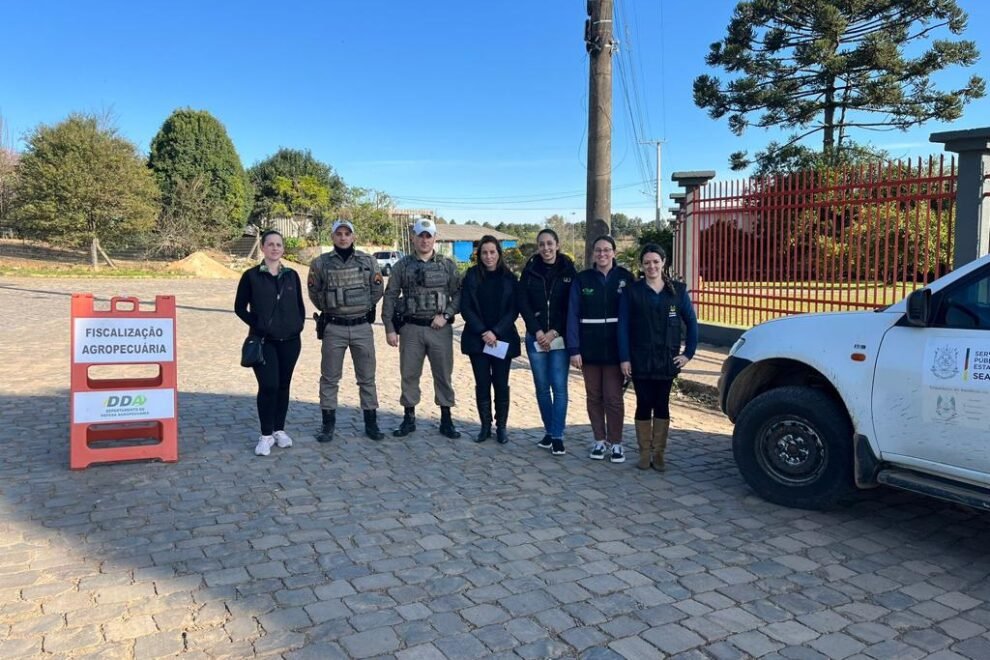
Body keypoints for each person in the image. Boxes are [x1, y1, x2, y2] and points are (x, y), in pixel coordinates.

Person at [619, 244, 698, 471]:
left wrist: (688, 354)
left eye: (655, 261)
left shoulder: (678, 292)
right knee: (643, 403)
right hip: (640, 358)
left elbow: (692, 323)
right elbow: (622, 327)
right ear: (641, 265)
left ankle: (659, 453)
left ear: (663, 262)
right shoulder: (632, 292)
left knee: (662, 404)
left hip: (666, 359)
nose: (651, 266)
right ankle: (644, 453)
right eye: (647, 262)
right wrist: (625, 358)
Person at [381, 218, 463, 439]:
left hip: (440, 330)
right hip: (411, 329)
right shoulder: (402, 266)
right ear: (413, 238)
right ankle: (409, 418)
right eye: (420, 236)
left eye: (428, 236)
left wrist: (446, 315)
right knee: (409, 374)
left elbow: (459, 295)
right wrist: (389, 327)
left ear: (435, 238)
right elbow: (390, 296)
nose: (424, 240)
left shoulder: (447, 265)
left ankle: (446, 419)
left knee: (443, 374)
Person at [308, 219, 385, 443]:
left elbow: (377, 289)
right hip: (334, 328)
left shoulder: (368, 261)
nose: (343, 237)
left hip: (362, 327)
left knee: (367, 378)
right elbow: (314, 293)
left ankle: (371, 424)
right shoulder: (320, 263)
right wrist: (332, 308)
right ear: (332, 237)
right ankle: (327, 425)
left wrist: (362, 307)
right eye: (339, 234)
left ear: (353, 237)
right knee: (329, 378)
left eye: (347, 233)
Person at [234, 229, 307, 457]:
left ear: (283, 249)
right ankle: (265, 435)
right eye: (271, 244)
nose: (275, 248)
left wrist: (297, 325)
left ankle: (279, 430)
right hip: (264, 341)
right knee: (269, 386)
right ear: (263, 248)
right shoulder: (251, 276)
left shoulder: (291, 275)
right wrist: (257, 324)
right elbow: (239, 307)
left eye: (279, 244)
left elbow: (299, 304)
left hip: (290, 341)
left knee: (284, 385)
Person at [567, 234, 635, 463]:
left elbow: (634, 315)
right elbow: (573, 314)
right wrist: (574, 349)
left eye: (607, 250)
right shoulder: (582, 279)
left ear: (614, 252)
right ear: (593, 253)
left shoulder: (625, 278)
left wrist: (630, 352)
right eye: (598, 250)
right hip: (589, 349)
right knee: (594, 396)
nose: (602, 254)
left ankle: (616, 443)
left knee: (613, 398)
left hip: (617, 350)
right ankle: (599, 440)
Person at [517, 228, 577, 456]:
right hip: (536, 336)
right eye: (541, 244)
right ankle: (550, 431)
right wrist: (538, 331)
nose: (546, 248)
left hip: (559, 338)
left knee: (559, 387)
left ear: (557, 245)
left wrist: (554, 332)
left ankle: (558, 435)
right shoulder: (530, 269)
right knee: (542, 388)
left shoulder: (569, 270)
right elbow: (523, 302)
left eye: (550, 243)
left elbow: (571, 305)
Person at [459, 235, 521, 444]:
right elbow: (466, 307)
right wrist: (483, 332)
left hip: (501, 339)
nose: (488, 256)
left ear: (498, 253)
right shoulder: (471, 276)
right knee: (482, 383)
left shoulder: (509, 278)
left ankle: (501, 426)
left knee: (501, 384)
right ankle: (485, 426)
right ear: (479, 255)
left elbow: (513, 310)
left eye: (492, 252)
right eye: (484, 253)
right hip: (478, 339)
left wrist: (495, 332)